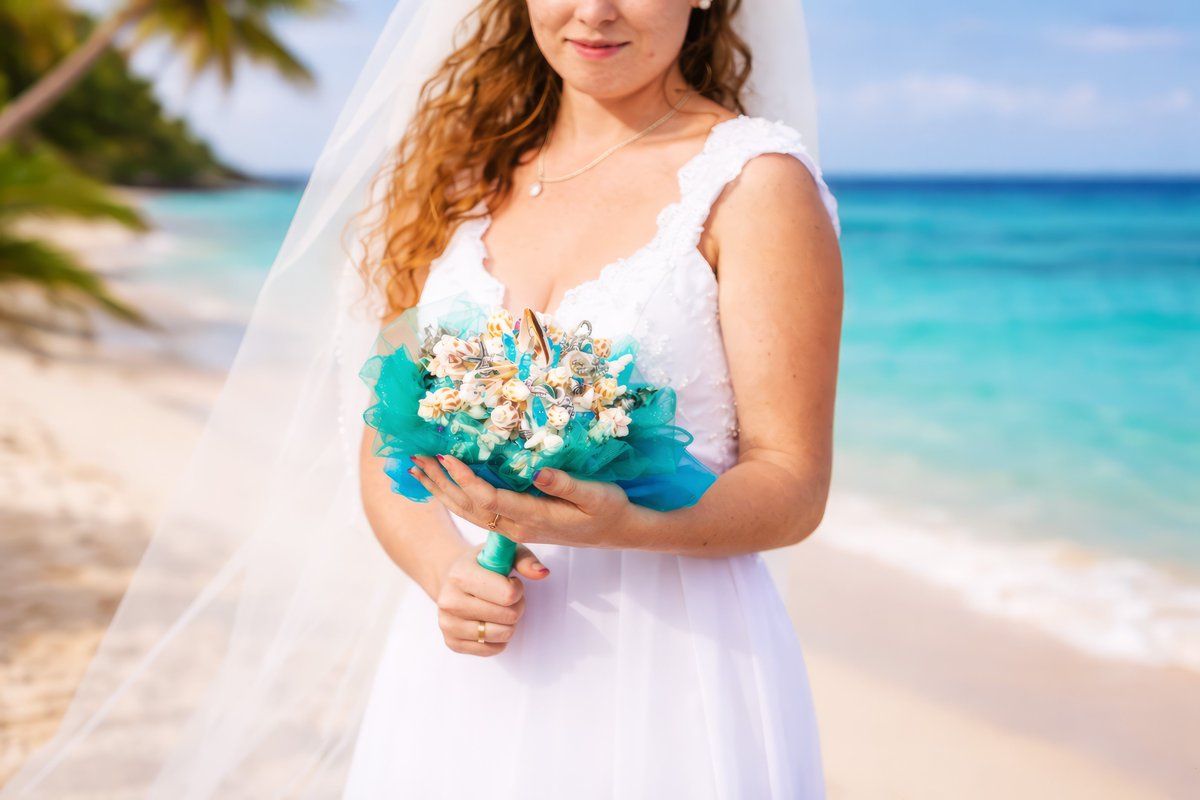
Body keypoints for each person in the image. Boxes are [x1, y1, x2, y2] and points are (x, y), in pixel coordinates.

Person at [0, 1, 841, 798]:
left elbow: (791, 483)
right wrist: (445, 574)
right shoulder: (466, 181)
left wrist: (631, 525)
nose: (593, 11)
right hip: (465, 654)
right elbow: (387, 445)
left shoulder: (754, 185)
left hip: (668, 658)